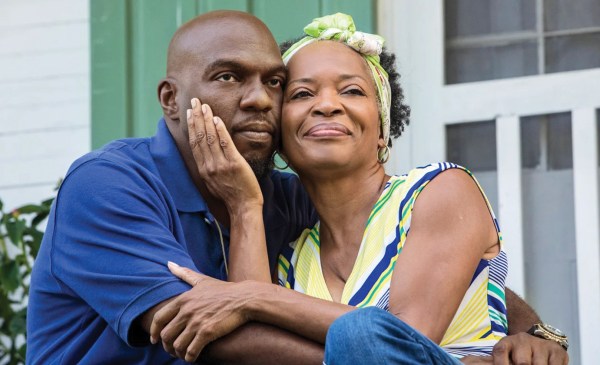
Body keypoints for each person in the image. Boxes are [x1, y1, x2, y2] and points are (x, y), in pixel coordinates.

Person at [26, 10, 567, 365]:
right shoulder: (110, 186)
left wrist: (536, 336)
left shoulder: (288, 200)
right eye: (229, 77)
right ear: (170, 98)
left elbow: (432, 266)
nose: (261, 98)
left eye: (273, 82)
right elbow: (224, 340)